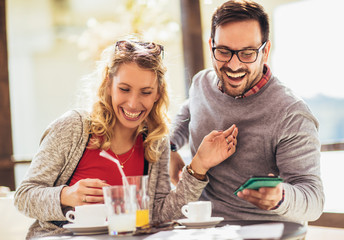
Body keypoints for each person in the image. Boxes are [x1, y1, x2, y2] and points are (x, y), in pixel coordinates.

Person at [14, 39, 238, 239]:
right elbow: (24, 196)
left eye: (145, 92)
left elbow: (159, 213)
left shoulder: (155, 141)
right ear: (108, 86)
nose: (133, 103)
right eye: (124, 89)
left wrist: (199, 165)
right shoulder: (73, 128)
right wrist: (66, 195)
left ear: (158, 93)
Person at [170, 0, 324, 223]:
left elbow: (314, 200)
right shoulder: (201, 83)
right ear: (211, 45)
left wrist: (282, 197)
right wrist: (171, 147)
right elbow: (186, 114)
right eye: (223, 51)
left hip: (265, 233)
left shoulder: (291, 113)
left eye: (247, 53)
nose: (233, 65)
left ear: (265, 51)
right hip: (203, 228)